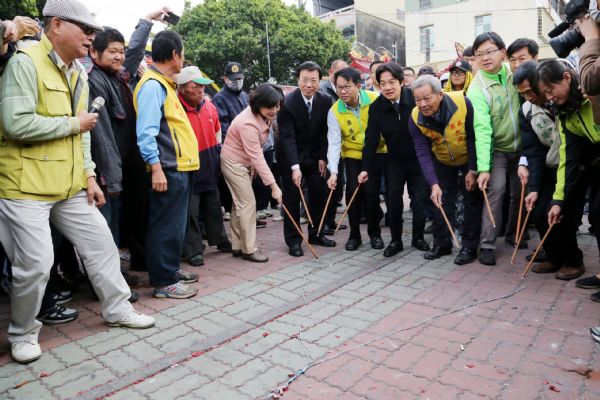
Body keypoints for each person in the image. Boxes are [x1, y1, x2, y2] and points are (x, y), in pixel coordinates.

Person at [0, 0, 155, 364]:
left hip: (69, 185)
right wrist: (73, 124)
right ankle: (22, 332)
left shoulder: (77, 73)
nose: (91, 36)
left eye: (93, 31)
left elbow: (82, 133)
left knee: (102, 244)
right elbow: (15, 123)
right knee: (35, 264)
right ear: (55, 25)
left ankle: (117, 308)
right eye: (85, 30)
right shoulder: (24, 62)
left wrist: (88, 175)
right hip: (25, 188)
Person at [88, 8, 168, 272]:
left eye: (120, 51)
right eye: (112, 51)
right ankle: (107, 281)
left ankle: (138, 264)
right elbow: (103, 137)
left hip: (130, 162)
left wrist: (147, 21)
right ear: (94, 53)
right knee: (107, 224)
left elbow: (134, 54)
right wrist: (111, 174)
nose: (119, 56)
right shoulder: (94, 81)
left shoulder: (118, 77)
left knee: (137, 214)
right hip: (109, 166)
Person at [134, 30, 199, 299]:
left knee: (175, 224)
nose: (182, 59)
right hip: (168, 168)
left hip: (179, 166)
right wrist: (156, 167)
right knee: (165, 225)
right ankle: (163, 281)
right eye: (182, 54)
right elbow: (146, 132)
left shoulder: (164, 83)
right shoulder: (152, 85)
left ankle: (169, 271)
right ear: (175, 54)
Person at [513, 61, 583, 280]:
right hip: (548, 167)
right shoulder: (526, 111)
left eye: (530, 91)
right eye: (522, 94)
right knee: (541, 211)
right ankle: (552, 256)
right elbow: (533, 150)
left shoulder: (565, 100)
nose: (528, 98)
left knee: (564, 215)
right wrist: (534, 187)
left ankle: (573, 261)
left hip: (574, 166)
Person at [409, 75, 482, 264]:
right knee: (440, 199)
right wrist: (433, 183)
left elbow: (474, 137)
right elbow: (422, 151)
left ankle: (469, 246)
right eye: (418, 100)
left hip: (467, 156)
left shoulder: (463, 103)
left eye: (427, 98)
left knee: (471, 199)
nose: (422, 104)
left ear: (440, 94)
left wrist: (473, 170)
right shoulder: (415, 118)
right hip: (442, 159)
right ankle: (442, 243)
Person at [359, 63, 430, 257]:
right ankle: (396, 240)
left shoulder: (415, 99)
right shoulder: (376, 108)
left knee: (420, 198)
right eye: (383, 83)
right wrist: (365, 168)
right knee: (393, 200)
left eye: (392, 82)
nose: (388, 87)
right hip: (395, 160)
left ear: (401, 82)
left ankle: (418, 238)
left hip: (419, 158)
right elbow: (371, 140)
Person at [539, 60, 598, 282]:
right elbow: (567, 159)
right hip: (590, 165)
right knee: (567, 209)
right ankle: (571, 260)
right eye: (545, 94)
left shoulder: (593, 91)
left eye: (550, 90)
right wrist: (558, 199)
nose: (549, 97)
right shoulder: (564, 113)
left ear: (566, 78)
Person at [466, 32, 522, 266]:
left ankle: (513, 233)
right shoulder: (476, 88)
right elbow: (482, 129)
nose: (485, 58)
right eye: (479, 54)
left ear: (502, 51)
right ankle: (487, 243)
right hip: (497, 149)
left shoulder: (515, 75)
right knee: (496, 190)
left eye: (490, 51)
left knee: (520, 191)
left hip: (523, 147)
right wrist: (483, 168)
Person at [277, 61, 337, 257]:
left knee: (319, 193)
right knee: (293, 198)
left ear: (321, 81)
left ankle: (316, 233)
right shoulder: (287, 102)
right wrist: (295, 167)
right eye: (304, 80)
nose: (309, 85)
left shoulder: (326, 101)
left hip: (315, 157)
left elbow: (325, 133)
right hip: (291, 156)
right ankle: (294, 240)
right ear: (298, 80)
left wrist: (323, 157)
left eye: (313, 80)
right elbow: (287, 137)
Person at [220, 83, 283, 262]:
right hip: (234, 162)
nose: (274, 110)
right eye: (270, 106)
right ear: (258, 104)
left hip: (244, 161)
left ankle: (238, 245)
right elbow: (257, 156)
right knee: (248, 204)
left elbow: (255, 153)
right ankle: (249, 249)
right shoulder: (247, 123)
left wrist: (253, 166)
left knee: (238, 203)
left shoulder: (262, 115)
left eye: (277, 105)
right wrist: (274, 186)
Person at [177, 66, 232, 267]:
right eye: (196, 86)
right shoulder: (176, 108)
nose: (201, 90)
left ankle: (219, 239)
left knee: (213, 205)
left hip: (210, 162)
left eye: (203, 86)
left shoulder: (209, 106)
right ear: (182, 88)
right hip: (189, 166)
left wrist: (218, 155)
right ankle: (193, 249)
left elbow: (218, 132)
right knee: (191, 211)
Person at [326, 67, 385, 251]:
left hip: (376, 152)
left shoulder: (375, 99)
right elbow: (334, 143)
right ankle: (354, 236)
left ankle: (375, 234)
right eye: (339, 87)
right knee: (352, 192)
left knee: (371, 193)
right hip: (352, 155)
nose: (342, 91)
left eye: (347, 87)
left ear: (358, 86)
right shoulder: (335, 111)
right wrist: (333, 172)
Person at [213, 61, 249, 222]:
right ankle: (229, 210)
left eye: (240, 79)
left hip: (247, 147)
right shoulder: (220, 97)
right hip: (232, 148)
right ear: (225, 79)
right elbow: (223, 126)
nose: (237, 82)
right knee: (232, 187)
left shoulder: (244, 95)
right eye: (233, 79)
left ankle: (246, 216)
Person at [319, 59, 349, 234]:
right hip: (326, 144)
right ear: (331, 72)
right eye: (339, 73)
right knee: (326, 185)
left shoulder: (344, 90)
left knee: (338, 184)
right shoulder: (323, 91)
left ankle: (330, 220)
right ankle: (323, 222)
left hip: (341, 145)